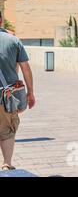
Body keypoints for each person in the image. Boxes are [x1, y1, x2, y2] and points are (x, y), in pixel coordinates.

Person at [0, 10, 36, 171]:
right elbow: (25, 68)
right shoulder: (13, 41)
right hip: (6, 96)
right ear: (1, 20)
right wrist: (30, 92)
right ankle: (7, 164)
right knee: (7, 129)